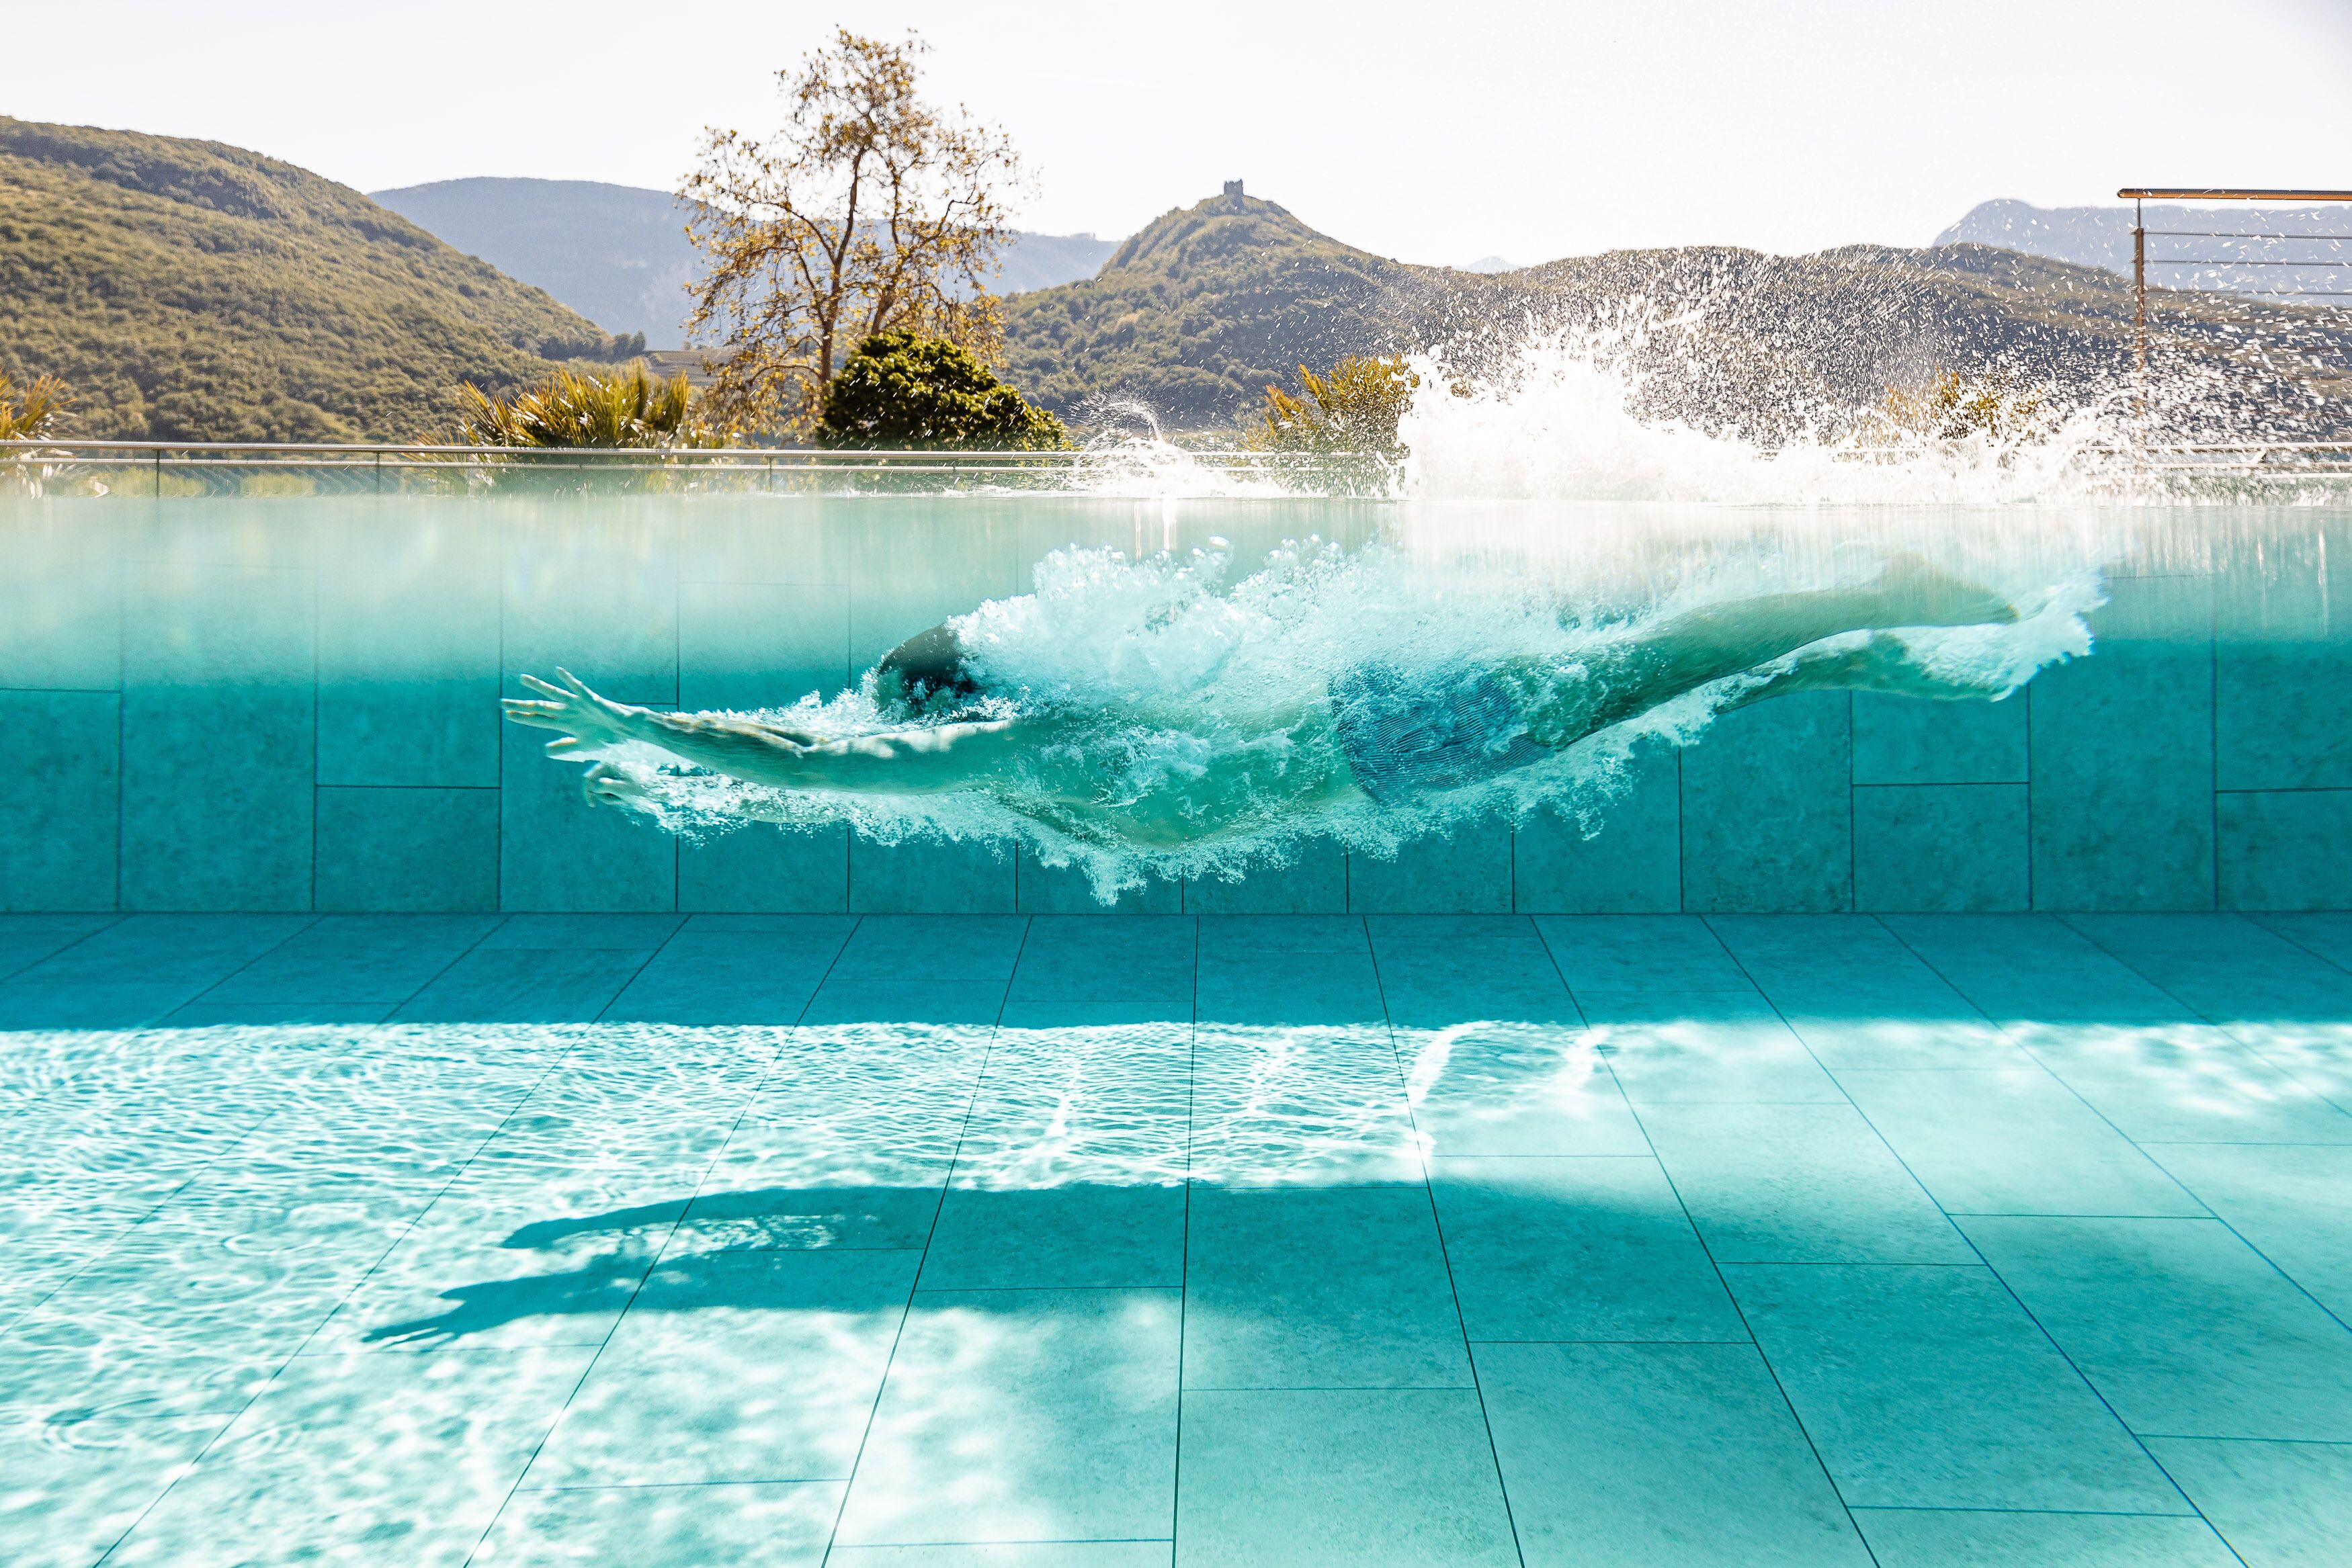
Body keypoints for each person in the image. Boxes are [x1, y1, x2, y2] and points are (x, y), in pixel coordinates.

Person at [503, 556, 2017, 850]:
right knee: (1635, 687)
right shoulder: (1013, 754)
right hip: (1382, 748)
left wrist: (654, 728)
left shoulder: (1025, 742)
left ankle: (1869, 589)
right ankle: (1830, 649)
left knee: (1648, 666)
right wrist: (677, 780)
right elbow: (818, 749)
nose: (892, 733)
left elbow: (831, 771)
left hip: (1387, 739)